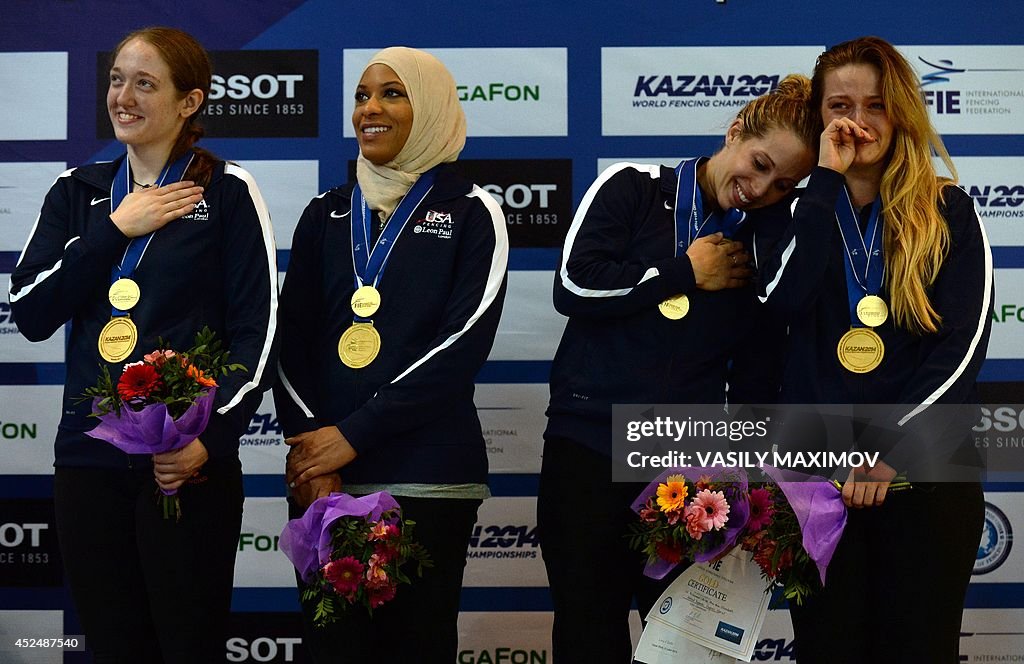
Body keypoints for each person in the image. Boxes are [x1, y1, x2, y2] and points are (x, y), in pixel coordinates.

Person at [7, 26, 278, 663]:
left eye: (145, 83)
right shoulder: (78, 193)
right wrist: (113, 230)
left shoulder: (228, 193)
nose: (123, 96)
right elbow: (31, 312)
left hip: (183, 464)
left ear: (190, 102)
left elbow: (257, 331)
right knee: (111, 644)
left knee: (188, 645)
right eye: (117, 79)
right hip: (89, 459)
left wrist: (207, 442)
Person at [537, 76, 818, 663]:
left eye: (783, 183)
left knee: (687, 648)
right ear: (737, 128)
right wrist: (682, 272)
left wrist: (746, 466)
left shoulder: (770, 237)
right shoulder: (632, 188)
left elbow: (759, 366)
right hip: (586, 446)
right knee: (587, 631)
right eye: (759, 163)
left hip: (685, 461)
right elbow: (574, 286)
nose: (760, 187)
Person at [757, 36, 991, 663]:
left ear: (904, 112)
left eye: (876, 105)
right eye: (839, 106)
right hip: (816, 479)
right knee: (827, 650)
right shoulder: (794, 212)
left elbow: (961, 352)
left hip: (925, 475)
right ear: (820, 118)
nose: (858, 122)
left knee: (919, 650)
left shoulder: (949, 211)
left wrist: (894, 450)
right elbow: (781, 304)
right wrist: (824, 184)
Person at [274, 46, 508, 663]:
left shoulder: (472, 210)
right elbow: (288, 342)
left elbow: (462, 345)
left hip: (428, 478)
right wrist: (310, 448)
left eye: (392, 94)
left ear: (429, 107)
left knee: (418, 648)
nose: (370, 109)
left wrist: (353, 433)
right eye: (361, 95)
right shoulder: (323, 214)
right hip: (326, 480)